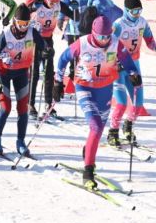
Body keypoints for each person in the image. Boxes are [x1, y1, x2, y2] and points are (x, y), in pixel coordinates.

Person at [53, 15, 140, 189]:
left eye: (107, 36)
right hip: (85, 88)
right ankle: (88, 171)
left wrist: (133, 74)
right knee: (96, 126)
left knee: (98, 130)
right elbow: (63, 59)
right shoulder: (82, 43)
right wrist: (57, 82)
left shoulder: (115, 43)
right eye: (101, 37)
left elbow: (129, 62)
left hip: (105, 89)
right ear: (93, 33)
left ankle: (88, 152)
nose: (104, 40)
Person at [0, 4, 50, 156]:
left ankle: (20, 141)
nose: (23, 27)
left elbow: (43, 45)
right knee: (5, 108)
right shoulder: (6, 34)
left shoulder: (32, 32)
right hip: (4, 73)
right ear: (14, 21)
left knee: (23, 109)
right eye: (21, 24)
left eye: (26, 24)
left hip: (22, 73)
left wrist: (47, 52)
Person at [107, 0, 156, 146]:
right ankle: (113, 131)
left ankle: (128, 126)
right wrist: (115, 63)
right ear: (126, 10)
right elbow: (108, 46)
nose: (137, 14)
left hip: (134, 65)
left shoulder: (142, 23)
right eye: (134, 11)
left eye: (139, 11)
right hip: (119, 68)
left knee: (138, 103)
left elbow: (150, 41)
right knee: (121, 103)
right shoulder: (118, 24)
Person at [28, 0, 67, 116]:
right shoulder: (38, 3)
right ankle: (30, 103)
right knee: (35, 74)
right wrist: (32, 7)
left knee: (49, 73)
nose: (54, 2)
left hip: (49, 41)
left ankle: (48, 103)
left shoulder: (58, 4)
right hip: (35, 41)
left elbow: (73, 14)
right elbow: (21, 13)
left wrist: (76, 9)